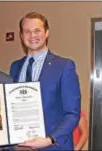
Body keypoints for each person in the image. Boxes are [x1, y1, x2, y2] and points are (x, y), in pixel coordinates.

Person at [10, 12, 81, 150]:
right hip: (20, 146)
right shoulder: (15, 66)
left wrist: (50, 140)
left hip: (52, 146)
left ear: (47, 32)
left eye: (37, 31)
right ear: (21, 36)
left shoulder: (64, 66)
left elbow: (72, 114)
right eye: (27, 31)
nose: (32, 36)